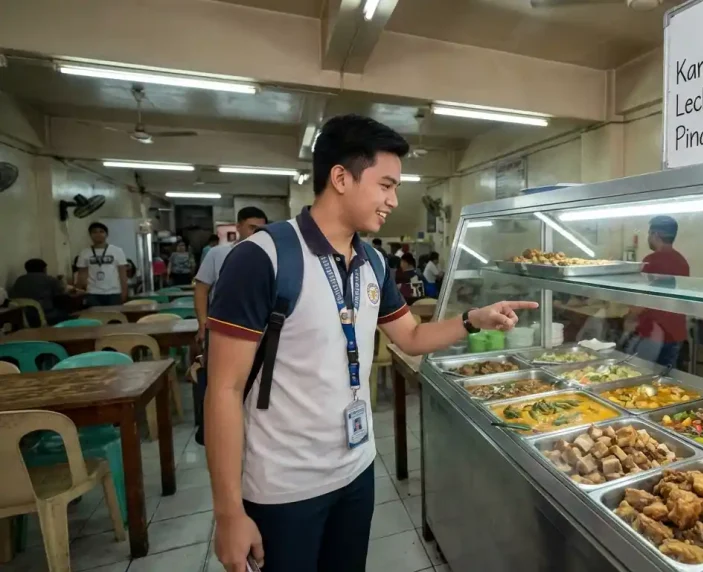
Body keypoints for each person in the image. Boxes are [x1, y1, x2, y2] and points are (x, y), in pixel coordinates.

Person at [205, 114, 536, 572]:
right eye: (385, 185)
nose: (393, 201)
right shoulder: (262, 258)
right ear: (340, 177)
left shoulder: (374, 263)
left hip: (357, 472)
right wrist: (228, 515)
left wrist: (473, 319)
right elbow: (222, 389)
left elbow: (413, 336)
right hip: (284, 486)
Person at [623, 216, 691, 368]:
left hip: (653, 334)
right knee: (664, 380)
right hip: (675, 333)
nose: (648, 237)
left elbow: (643, 299)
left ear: (655, 235)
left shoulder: (652, 261)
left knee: (638, 375)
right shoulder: (682, 261)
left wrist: (630, 318)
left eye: (649, 234)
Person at [195, 207, 269, 344]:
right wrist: (202, 324)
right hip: (222, 327)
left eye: (261, 230)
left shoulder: (271, 258)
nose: (257, 233)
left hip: (259, 330)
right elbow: (201, 290)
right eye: (252, 227)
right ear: (238, 227)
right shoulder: (217, 254)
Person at [75, 222, 129, 306]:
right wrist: (78, 291)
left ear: (106, 234)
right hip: (93, 293)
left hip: (114, 292)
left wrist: (124, 292)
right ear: (90, 235)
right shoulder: (84, 253)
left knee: (113, 317)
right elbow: (82, 274)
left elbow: (122, 274)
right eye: (94, 232)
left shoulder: (117, 251)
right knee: (95, 317)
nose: (98, 234)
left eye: (101, 231)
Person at [9, 259, 73, 324]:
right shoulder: (49, 279)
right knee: (66, 313)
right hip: (46, 315)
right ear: (44, 269)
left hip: (24, 317)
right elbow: (62, 292)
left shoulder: (19, 280)